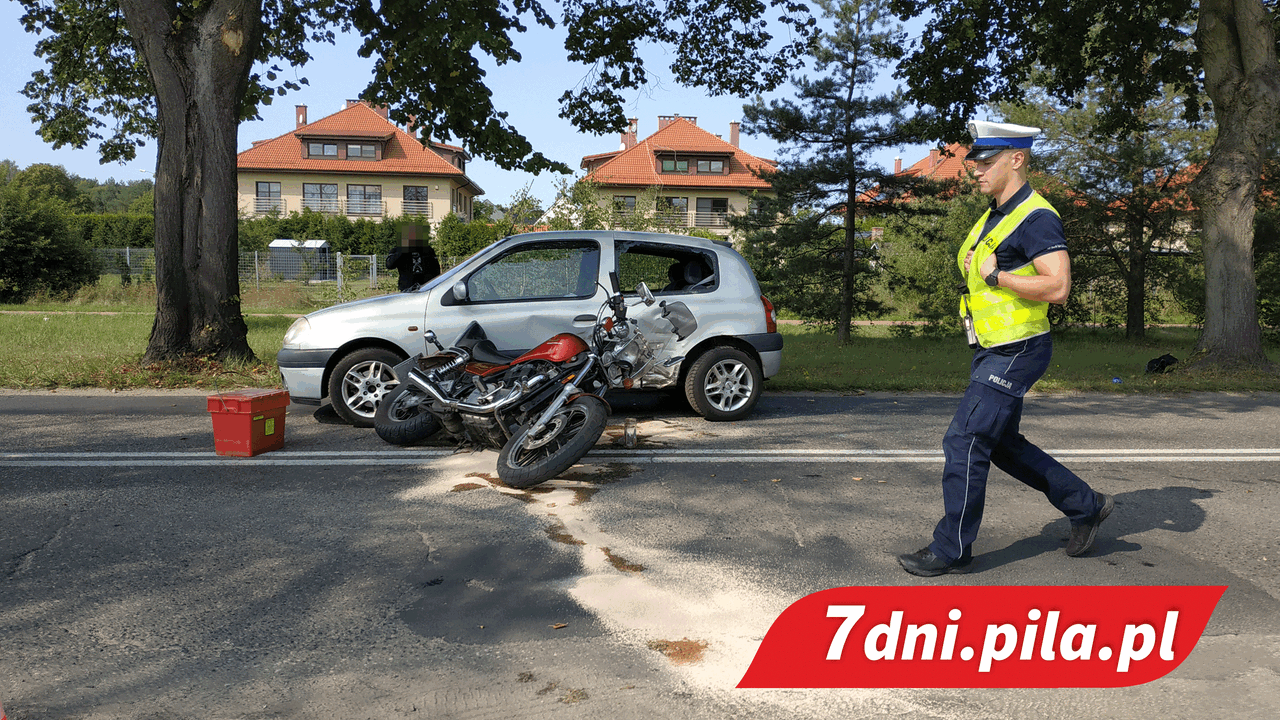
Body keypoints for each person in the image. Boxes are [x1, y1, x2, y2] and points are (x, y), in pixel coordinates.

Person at [897, 120, 1114, 577]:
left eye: (986, 161)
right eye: (974, 162)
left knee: (965, 439)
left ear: (1016, 159)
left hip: (1017, 349)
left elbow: (1057, 287)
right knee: (1002, 445)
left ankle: (951, 548)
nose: (975, 170)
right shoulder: (996, 213)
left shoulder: (1036, 217)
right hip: (993, 346)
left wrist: (999, 277)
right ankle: (1085, 504)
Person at [386, 223, 440, 291]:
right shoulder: (398, 250)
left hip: (426, 288)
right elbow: (389, 265)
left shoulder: (427, 250)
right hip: (407, 289)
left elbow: (436, 269)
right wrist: (403, 250)